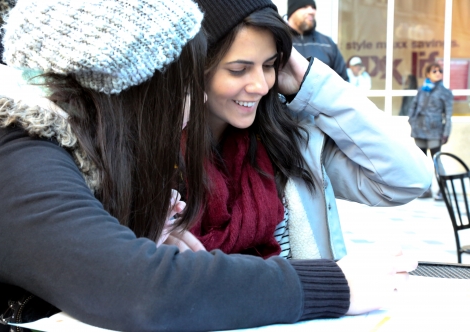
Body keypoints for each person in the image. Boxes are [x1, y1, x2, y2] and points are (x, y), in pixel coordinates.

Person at [0, 0, 419, 331]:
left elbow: (408, 177)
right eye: (183, 84)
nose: (196, 101)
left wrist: (303, 75)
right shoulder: (16, 156)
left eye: (269, 66)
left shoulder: (282, 142)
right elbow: (140, 287)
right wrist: (334, 285)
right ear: (133, 89)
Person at [191, 0, 431, 261]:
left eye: (270, 65)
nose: (261, 85)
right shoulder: (153, 158)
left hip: (306, 302)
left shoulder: (290, 141)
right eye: (239, 70)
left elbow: (409, 178)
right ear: (195, 68)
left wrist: (308, 81)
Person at [408, 63, 453, 200]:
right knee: (422, 162)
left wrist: (446, 132)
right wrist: (412, 121)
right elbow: (413, 107)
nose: (438, 73)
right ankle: (425, 190)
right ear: (428, 73)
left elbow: (448, 115)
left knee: (436, 161)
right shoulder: (422, 90)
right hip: (419, 130)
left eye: (440, 71)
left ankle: (442, 190)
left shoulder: (445, 92)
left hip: (434, 131)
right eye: (434, 71)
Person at [286, 0, 349, 81]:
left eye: (313, 7)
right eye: (304, 7)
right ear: (292, 11)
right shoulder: (279, 41)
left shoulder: (327, 44)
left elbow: (343, 82)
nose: (311, 11)